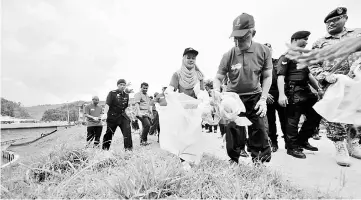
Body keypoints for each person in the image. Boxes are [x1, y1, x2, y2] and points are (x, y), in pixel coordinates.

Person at [300, 7, 361, 166]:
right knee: (334, 115)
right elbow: (313, 65)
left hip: (355, 82)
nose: (331, 24)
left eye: (335, 20)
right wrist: (324, 76)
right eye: (328, 22)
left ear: (345, 18)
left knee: (355, 112)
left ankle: (354, 143)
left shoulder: (357, 35)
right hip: (332, 84)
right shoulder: (320, 43)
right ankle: (340, 145)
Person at [214, 13, 272, 164]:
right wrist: (216, 93)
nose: (238, 41)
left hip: (255, 96)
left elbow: (267, 76)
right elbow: (218, 78)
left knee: (259, 128)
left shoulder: (264, 51)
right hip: (233, 97)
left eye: (243, 37)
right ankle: (234, 159)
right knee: (233, 129)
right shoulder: (229, 54)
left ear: (253, 33)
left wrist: (264, 99)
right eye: (236, 37)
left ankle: (259, 161)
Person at [277, 31, 323, 159]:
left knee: (318, 112)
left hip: (306, 90)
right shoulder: (286, 57)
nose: (307, 42)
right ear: (295, 40)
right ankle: (292, 148)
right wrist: (281, 95)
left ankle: (302, 140)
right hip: (293, 91)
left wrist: (318, 89)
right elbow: (280, 77)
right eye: (305, 39)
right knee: (292, 121)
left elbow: (309, 75)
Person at [263, 43, 286, 152]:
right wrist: (265, 94)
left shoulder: (278, 62)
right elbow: (255, 81)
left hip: (281, 93)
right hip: (268, 95)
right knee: (270, 121)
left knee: (285, 120)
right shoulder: (259, 64)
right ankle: (273, 142)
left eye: (269, 49)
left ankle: (289, 142)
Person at [102, 79, 133, 151]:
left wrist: (130, 114)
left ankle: (128, 150)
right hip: (112, 116)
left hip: (122, 116)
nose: (122, 86)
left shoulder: (126, 95)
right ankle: (105, 150)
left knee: (127, 131)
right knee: (109, 133)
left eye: (124, 85)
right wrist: (105, 113)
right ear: (117, 85)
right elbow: (107, 104)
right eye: (121, 85)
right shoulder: (112, 93)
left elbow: (125, 107)